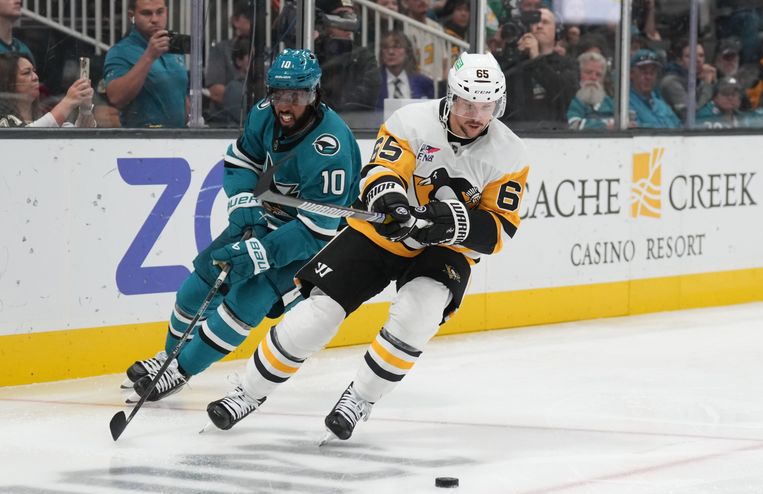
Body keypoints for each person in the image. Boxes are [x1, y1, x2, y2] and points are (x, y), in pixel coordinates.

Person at [204, 52, 530, 442]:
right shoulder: (412, 121)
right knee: (318, 313)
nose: (476, 115)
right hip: (383, 232)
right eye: (466, 103)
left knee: (419, 312)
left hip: (448, 249)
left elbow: (498, 230)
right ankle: (248, 392)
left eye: (486, 105)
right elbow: (382, 170)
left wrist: (449, 223)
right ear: (450, 97)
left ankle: (360, 399)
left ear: (500, 103)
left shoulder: (510, 153)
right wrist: (390, 201)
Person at [123, 49, 362, 402]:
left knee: (248, 298)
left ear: (314, 94)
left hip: (311, 242)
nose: (285, 105)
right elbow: (241, 162)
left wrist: (261, 252)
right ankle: (169, 358)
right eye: (278, 94)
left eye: (295, 96)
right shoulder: (264, 115)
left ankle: (183, 370)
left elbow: (317, 230)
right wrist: (243, 202)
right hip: (266, 218)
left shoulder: (331, 148)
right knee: (203, 278)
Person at [103, 0, 189, 127]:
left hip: (179, 139)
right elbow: (116, 97)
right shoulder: (120, 51)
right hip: (141, 140)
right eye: (146, 13)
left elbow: (180, 93)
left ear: (166, 11)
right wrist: (149, 57)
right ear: (132, 15)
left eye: (160, 12)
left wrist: (193, 120)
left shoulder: (173, 48)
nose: (155, 19)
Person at [502, 7, 579, 129]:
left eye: (545, 22)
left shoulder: (567, 63)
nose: (539, 26)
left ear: (557, 31)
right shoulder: (516, 61)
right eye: (534, 22)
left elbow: (564, 93)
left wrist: (536, 58)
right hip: (515, 132)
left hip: (554, 135)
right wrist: (516, 56)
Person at [314, 0, 381, 112]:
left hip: (355, 124)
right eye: (342, 17)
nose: (349, 25)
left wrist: (334, 110)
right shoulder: (310, 54)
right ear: (324, 20)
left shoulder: (364, 57)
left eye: (352, 17)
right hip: (320, 124)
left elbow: (367, 97)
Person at [0, 52, 95, 127]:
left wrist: (85, 108)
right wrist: (68, 101)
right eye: (26, 73)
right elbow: (26, 137)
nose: (35, 77)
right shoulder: (2, 118)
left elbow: (80, 137)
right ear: (8, 81)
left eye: (34, 71)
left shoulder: (45, 114)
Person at [205, 0, 253, 126]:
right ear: (235, 20)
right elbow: (215, 91)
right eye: (249, 17)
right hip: (224, 125)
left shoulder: (265, 52)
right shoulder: (220, 50)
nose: (255, 21)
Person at [376, 29, 434, 111]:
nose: (391, 52)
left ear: (407, 52)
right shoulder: (374, 82)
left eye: (396, 47)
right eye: (386, 48)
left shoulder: (423, 82)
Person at [659, 39, 717, 121]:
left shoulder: (699, 79)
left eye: (701, 55)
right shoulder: (670, 83)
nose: (698, 60)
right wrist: (707, 84)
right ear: (679, 61)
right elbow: (691, 116)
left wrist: (715, 82)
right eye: (690, 56)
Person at [629, 48, 681, 129]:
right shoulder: (624, 105)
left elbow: (679, 128)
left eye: (652, 72)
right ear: (631, 74)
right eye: (644, 72)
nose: (648, 77)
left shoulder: (661, 105)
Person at [567, 51, 614, 130]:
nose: (593, 78)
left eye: (598, 75)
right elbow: (574, 125)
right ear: (578, 74)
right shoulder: (570, 102)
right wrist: (605, 126)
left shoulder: (610, 102)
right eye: (588, 72)